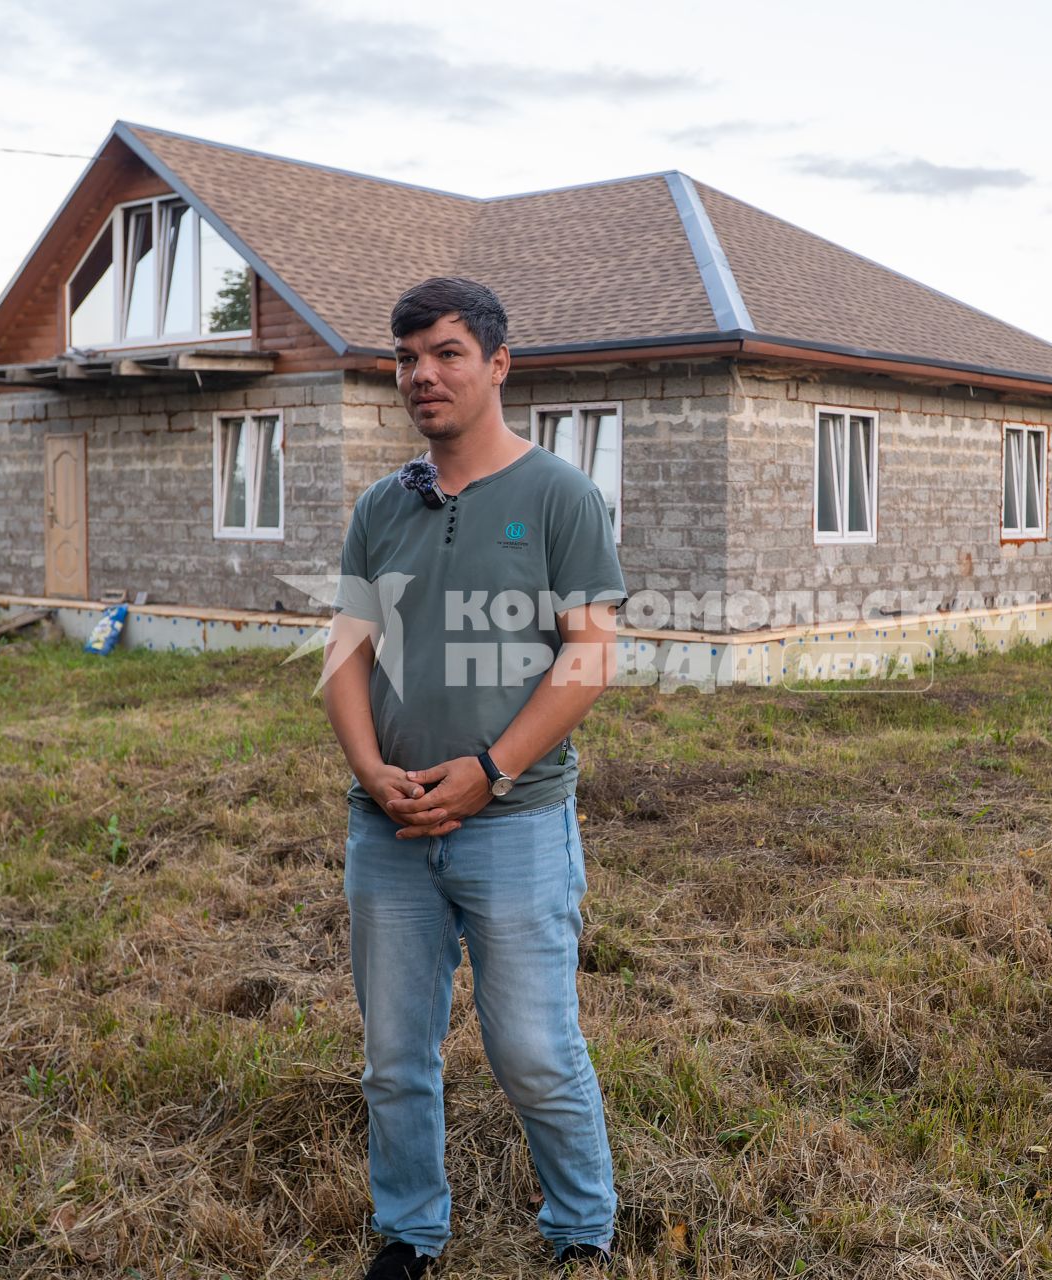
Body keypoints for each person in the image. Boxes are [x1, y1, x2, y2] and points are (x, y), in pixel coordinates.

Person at [321, 277, 625, 1278]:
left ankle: (581, 1229)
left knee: (534, 1050)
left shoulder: (559, 497)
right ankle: (410, 1231)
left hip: (517, 822)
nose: (423, 375)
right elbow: (347, 652)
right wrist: (372, 769)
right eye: (407, 357)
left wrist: (491, 770)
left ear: (499, 363)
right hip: (391, 828)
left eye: (446, 352)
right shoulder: (381, 505)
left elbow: (589, 655)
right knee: (395, 1057)